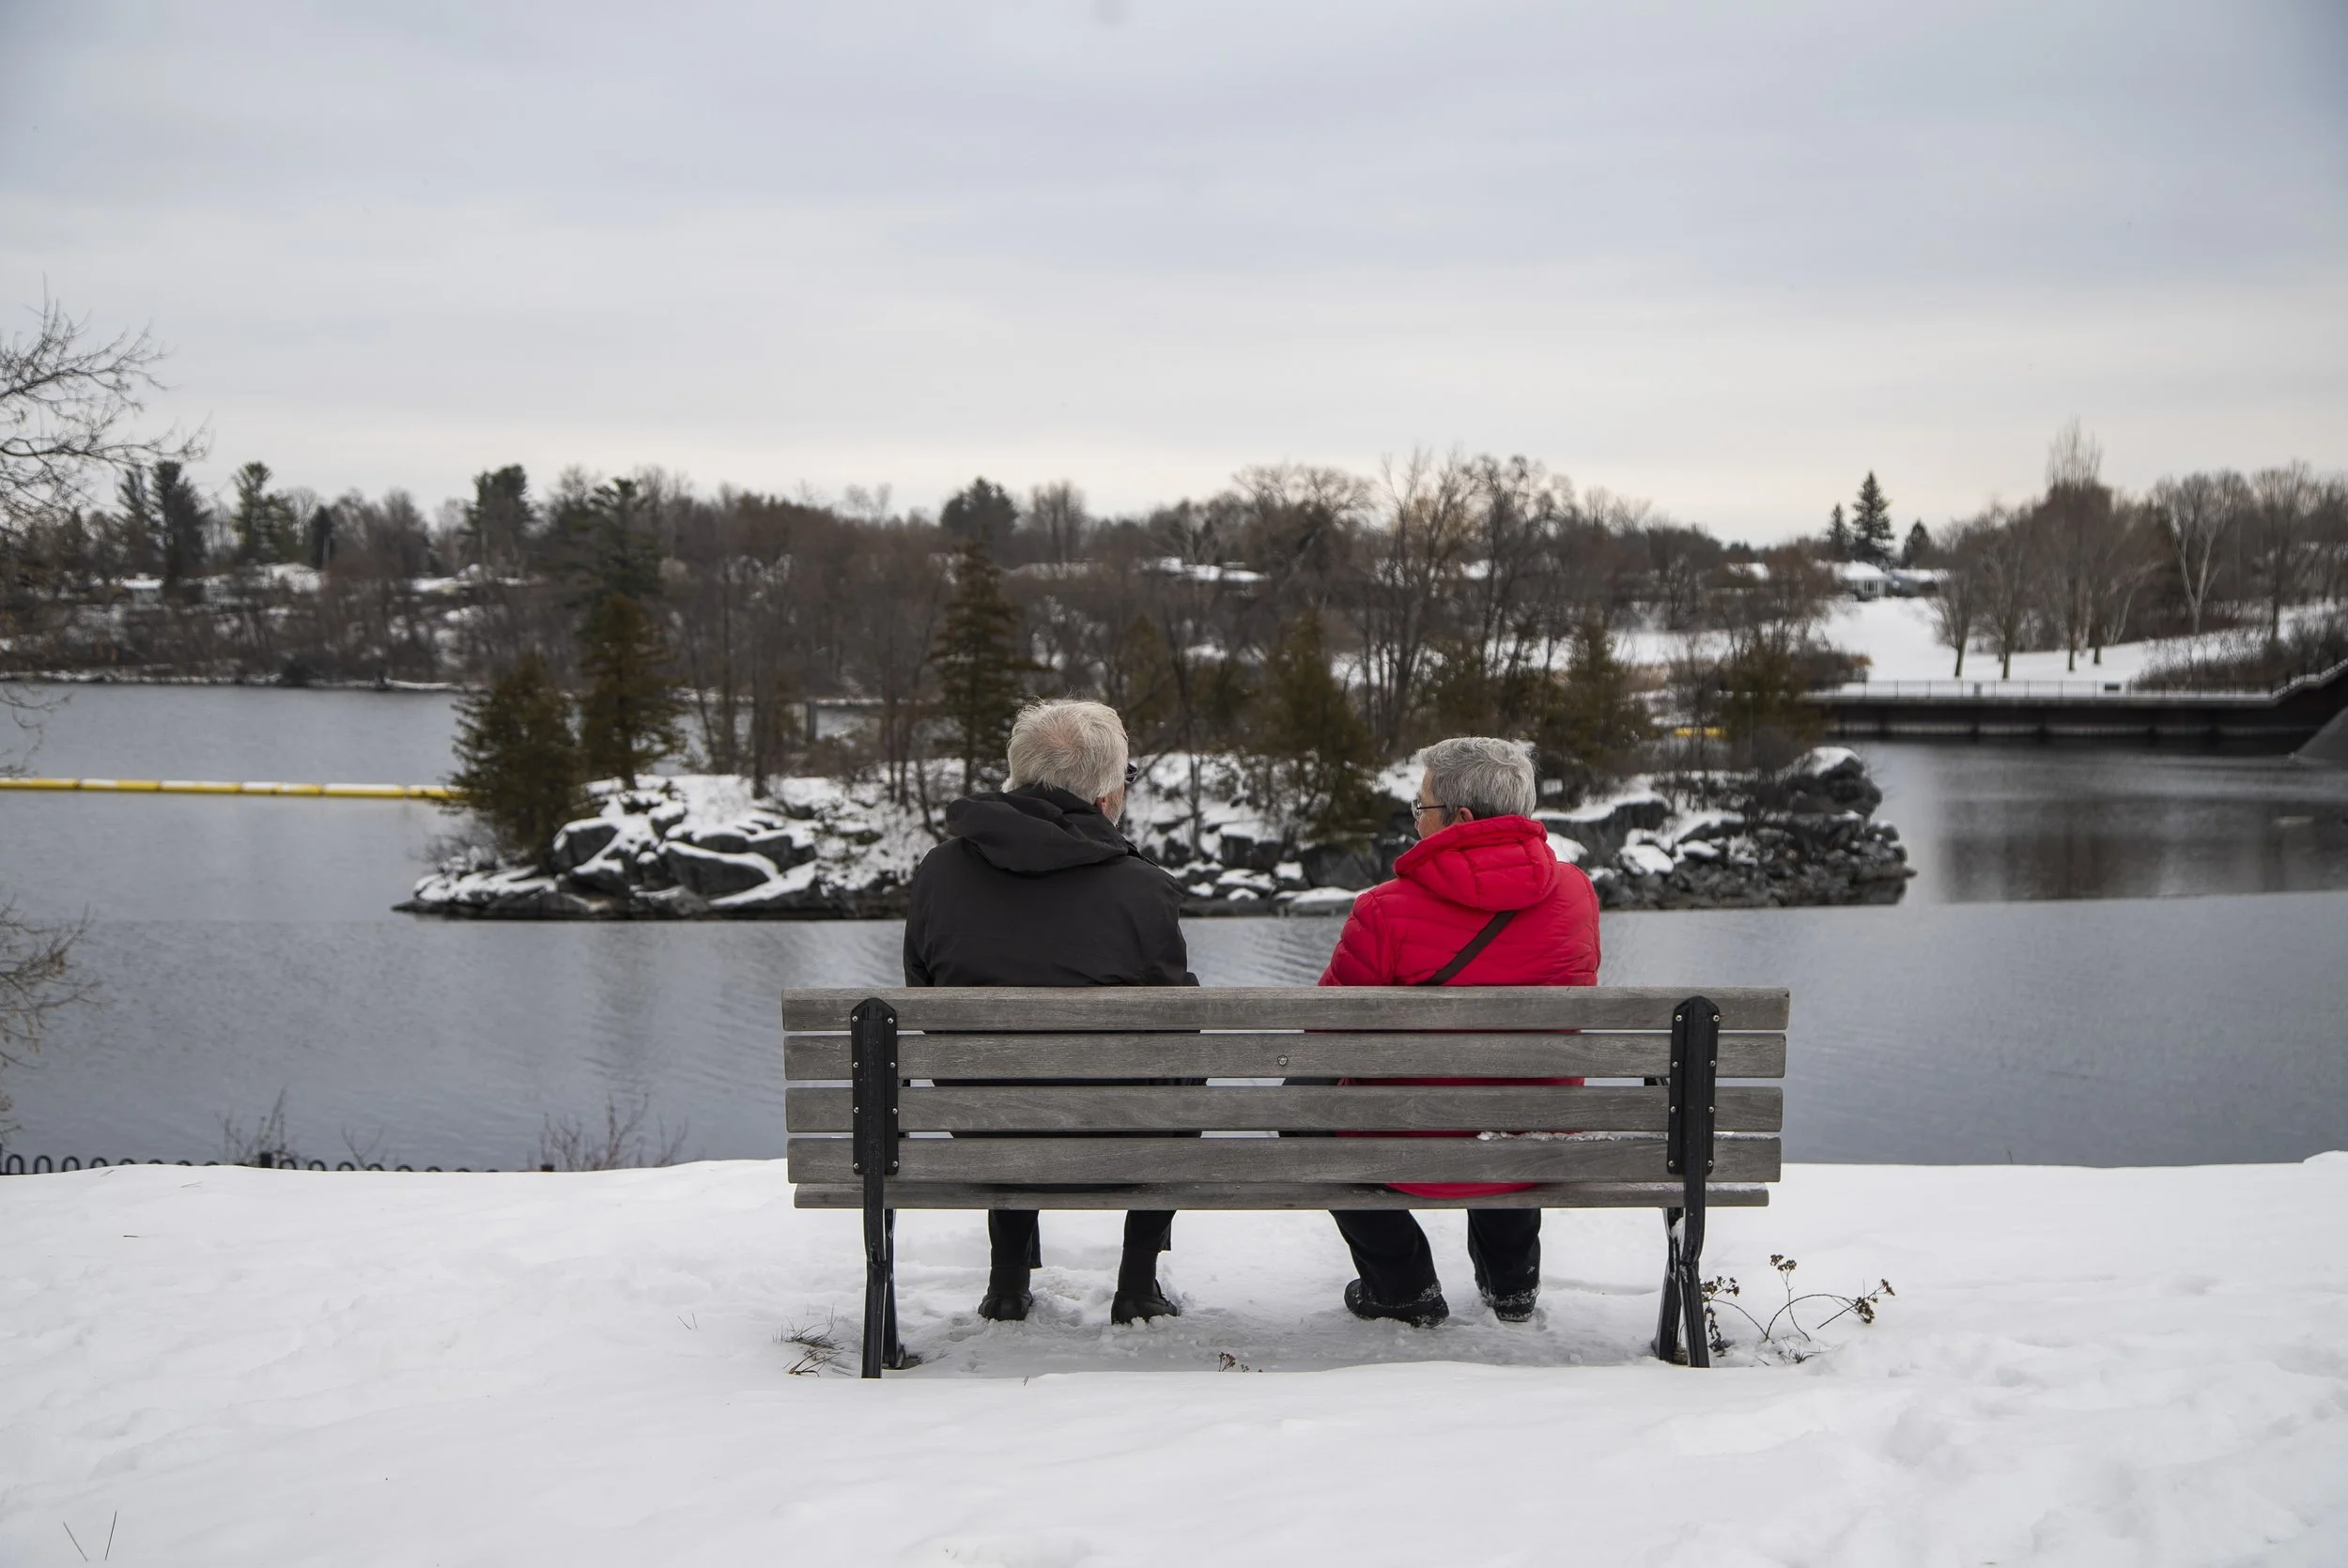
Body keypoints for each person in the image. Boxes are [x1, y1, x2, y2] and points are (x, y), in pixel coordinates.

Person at [903, 698, 1196, 1326]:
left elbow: (922, 994)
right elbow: (1174, 1027)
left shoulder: (938, 873)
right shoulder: (1142, 890)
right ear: (1110, 793)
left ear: (1016, 773)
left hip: (983, 1134)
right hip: (1115, 1138)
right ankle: (1137, 1282)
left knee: (998, 1076)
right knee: (1182, 1070)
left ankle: (1007, 1281)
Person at [1320, 735, 1600, 1328]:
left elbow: (1329, 1022)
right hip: (1531, 1143)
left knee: (1303, 1107)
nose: (1415, 820)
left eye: (1421, 808)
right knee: (1516, 1088)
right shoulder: (1575, 893)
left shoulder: (1383, 909)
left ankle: (1402, 1286)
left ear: (1461, 819)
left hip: (1408, 1146)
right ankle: (1511, 1282)